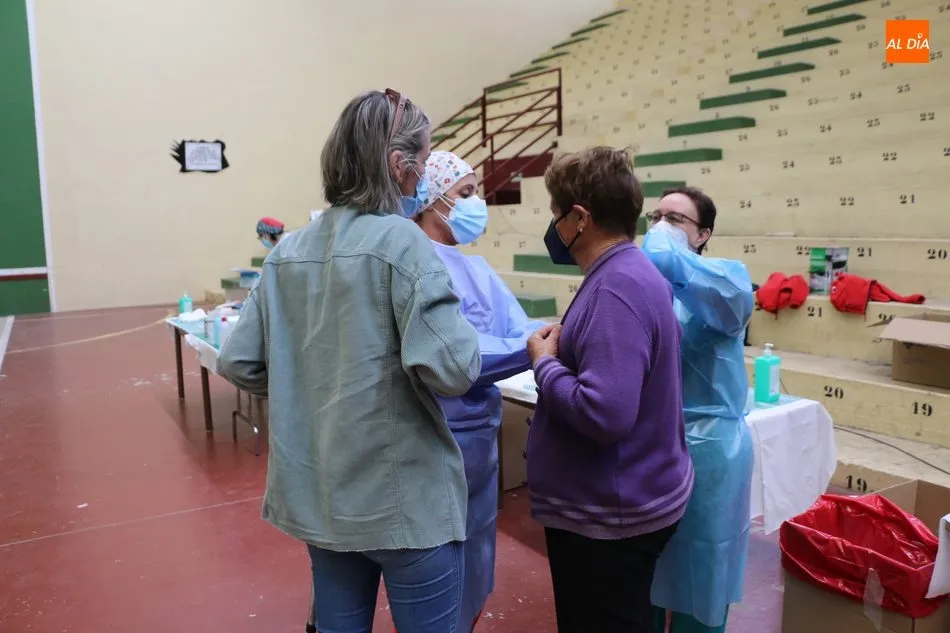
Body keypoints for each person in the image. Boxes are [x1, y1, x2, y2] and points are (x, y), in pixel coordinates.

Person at [217, 89, 482, 633]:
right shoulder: (403, 242)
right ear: (397, 165)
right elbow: (454, 370)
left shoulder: (288, 251)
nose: (425, 176)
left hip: (325, 499)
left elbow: (239, 363)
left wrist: (309, 381)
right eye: (423, 161)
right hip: (405, 502)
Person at [524, 147, 695, 633]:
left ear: (580, 218)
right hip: (627, 500)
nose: (555, 227)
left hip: (610, 520)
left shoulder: (614, 288)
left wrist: (545, 365)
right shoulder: (627, 272)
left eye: (557, 214)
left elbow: (605, 413)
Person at [408, 150, 547, 632]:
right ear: (432, 199)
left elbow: (517, 327)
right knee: (435, 561)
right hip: (433, 437)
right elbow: (455, 355)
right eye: (465, 193)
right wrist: (531, 347)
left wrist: (541, 336)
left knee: (477, 549)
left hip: (481, 437)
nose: (476, 203)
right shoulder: (414, 267)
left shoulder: (478, 269)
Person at [642, 186, 755, 633]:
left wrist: (667, 252)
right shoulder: (648, 288)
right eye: (655, 217)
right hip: (654, 446)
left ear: (703, 233)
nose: (660, 227)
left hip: (711, 451)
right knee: (647, 572)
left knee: (703, 568)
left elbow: (728, 306)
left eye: (675, 220)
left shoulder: (728, 280)